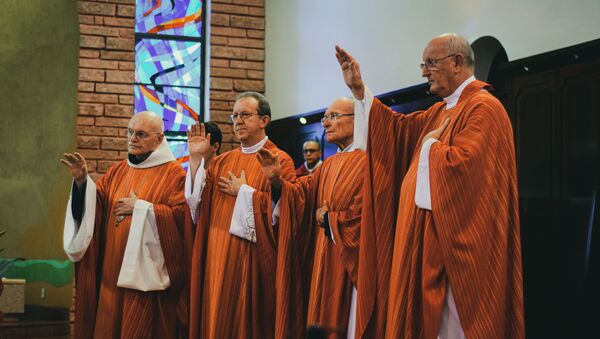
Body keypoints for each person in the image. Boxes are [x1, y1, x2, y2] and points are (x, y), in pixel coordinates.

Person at [335, 33, 524, 338]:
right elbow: (397, 133)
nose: (424, 71)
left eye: (431, 63)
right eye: (423, 64)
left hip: (458, 249)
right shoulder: (441, 110)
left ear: (457, 62)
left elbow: (466, 172)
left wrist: (430, 148)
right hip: (426, 239)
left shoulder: (484, 108)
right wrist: (359, 90)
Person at [60, 111, 192, 338]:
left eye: (140, 134)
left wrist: (141, 208)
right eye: (130, 132)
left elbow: (181, 221)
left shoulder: (174, 175)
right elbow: (95, 210)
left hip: (145, 285)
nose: (132, 138)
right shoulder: (117, 171)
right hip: (110, 275)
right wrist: (82, 181)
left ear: (159, 139)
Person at [185, 91, 296, 338]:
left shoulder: (280, 160)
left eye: (245, 115)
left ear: (264, 120)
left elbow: (287, 214)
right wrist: (196, 160)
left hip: (252, 260)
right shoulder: (222, 162)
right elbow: (196, 205)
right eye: (234, 116)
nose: (237, 121)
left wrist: (245, 192)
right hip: (217, 256)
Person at [258, 97, 365, 338]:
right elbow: (301, 196)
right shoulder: (329, 164)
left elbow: (370, 213)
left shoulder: (369, 160)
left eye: (333, 116)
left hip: (351, 263)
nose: (325, 123)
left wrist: (331, 220)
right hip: (324, 257)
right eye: (325, 117)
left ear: (357, 120)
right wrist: (277, 182)